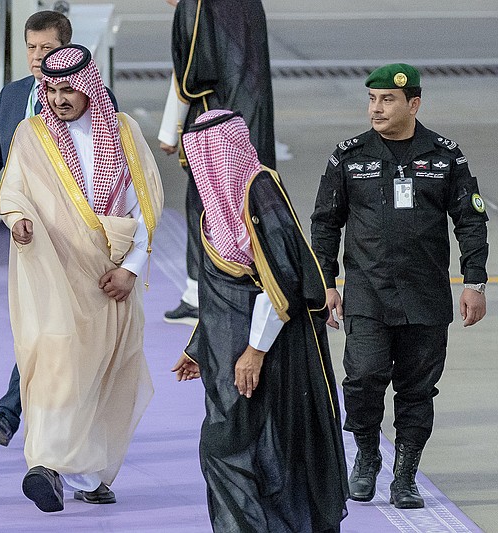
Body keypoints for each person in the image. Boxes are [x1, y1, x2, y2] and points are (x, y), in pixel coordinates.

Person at [311, 63, 488, 509]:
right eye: (372, 99)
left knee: (417, 390)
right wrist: (325, 283)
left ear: (414, 104)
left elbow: (470, 221)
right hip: (367, 293)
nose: (376, 108)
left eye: (387, 99)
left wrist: (476, 283)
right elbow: (325, 224)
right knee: (364, 377)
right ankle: (367, 458)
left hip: (425, 295)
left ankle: (405, 475)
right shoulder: (349, 156)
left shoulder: (446, 155)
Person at [0, 11, 117, 448]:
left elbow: (116, 166)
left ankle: (20, 417)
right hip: (29, 236)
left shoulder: (96, 97)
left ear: (69, 50)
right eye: (31, 48)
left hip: (81, 239)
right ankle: (22, 416)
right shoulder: (14, 97)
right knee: (38, 327)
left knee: (58, 330)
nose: (38, 58)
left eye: (48, 49)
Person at [0, 44, 163, 512]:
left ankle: (91, 476)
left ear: (89, 84)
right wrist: (17, 219)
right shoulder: (31, 135)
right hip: (53, 272)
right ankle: (45, 466)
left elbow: (146, 206)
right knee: (55, 365)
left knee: (109, 372)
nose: (58, 98)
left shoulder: (125, 132)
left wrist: (131, 269)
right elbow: (14, 190)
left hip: (110, 278)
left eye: (68, 88)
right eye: (50, 89)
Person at [171, 110, 347, 532]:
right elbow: (220, 294)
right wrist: (201, 346)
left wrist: (254, 351)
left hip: (278, 352)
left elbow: (281, 281)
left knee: (275, 454)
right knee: (230, 451)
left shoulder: (259, 193)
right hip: (233, 356)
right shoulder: (214, 212)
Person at [162, 0, 276, 325]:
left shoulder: (197, 6)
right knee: (246, 206)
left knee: (205, 206)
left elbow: (190, 77)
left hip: (217, 123)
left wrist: (173, 130)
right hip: (248, 120)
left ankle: (204, 294)